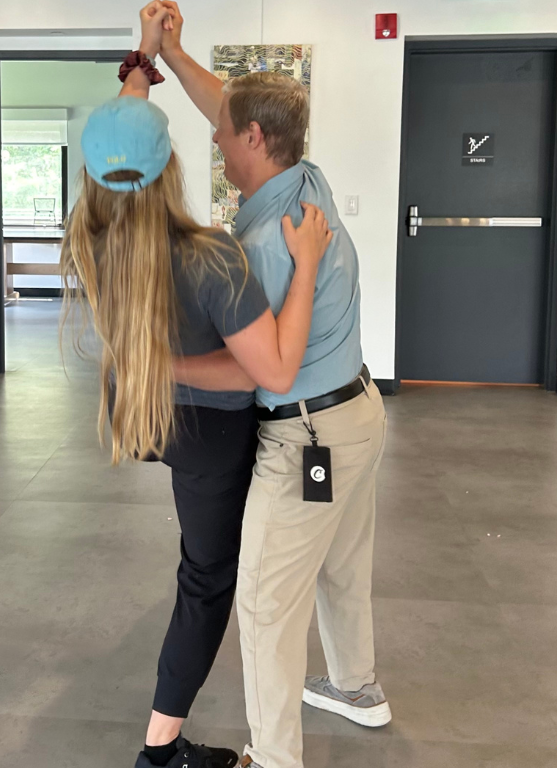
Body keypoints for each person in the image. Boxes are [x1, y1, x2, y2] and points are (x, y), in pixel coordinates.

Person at [58, 5, 333, 768]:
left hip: (157, 419)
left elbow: (122, 145)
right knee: (207, 582)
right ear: (170, 166)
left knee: (205, 560)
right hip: (214, 432)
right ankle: (160, 751)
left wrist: (149, 57)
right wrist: (306, 263)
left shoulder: (90, 234)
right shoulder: (212, 256)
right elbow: (273, 370)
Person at [153, 5, 391, 768]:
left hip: (306, 432)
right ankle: (357, 686)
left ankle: (276, 759)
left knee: (261, 602)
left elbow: (265, 368)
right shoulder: (304, 179)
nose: (216, 139)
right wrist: (176, 54)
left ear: (255, 140)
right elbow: (229, 100)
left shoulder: (260, 246)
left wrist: (167, 368)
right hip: (359, 414)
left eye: (225, 132)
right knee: (343, 567)